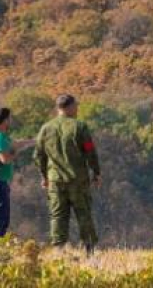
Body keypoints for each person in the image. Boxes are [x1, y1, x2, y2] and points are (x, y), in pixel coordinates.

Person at [35, 94, 101, 255]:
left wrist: (44, 176)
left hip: (55, 180)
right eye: (76, 105)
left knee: (58, 215)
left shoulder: (46, 128)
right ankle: (89, 250)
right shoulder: (79, 127)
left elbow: (38, 155)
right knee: (83, 213)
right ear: (70, 107)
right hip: (78, 180)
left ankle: (59, 250)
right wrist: (96, 172)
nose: (77, 108)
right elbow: (89, 151)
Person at [0, 107, 34, 246]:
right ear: (5, 120)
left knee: (3, 218)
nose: (11, 121)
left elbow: (15, 143)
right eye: (9, 118)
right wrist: (15, 152)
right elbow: (5, 159)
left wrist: (33, 142)